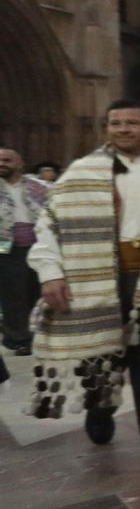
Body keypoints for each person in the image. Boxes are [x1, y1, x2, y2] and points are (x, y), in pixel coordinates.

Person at [26, 98, 140, 460]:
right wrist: (50, 273)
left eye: (131, 123)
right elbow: (49, 224)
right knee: (101, 350)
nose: (122, 129)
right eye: (115, 123)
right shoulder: (81, 171)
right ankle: (100, 408)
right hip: (94, 273)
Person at [0, 147, 49, 355]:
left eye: (7, 160)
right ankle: (18, 338)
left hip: (38, 245)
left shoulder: (40, 187)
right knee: (13, 295)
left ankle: (39, 336)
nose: (2, 164)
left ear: (20, 163)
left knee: (36, 292)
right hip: (6, 249)